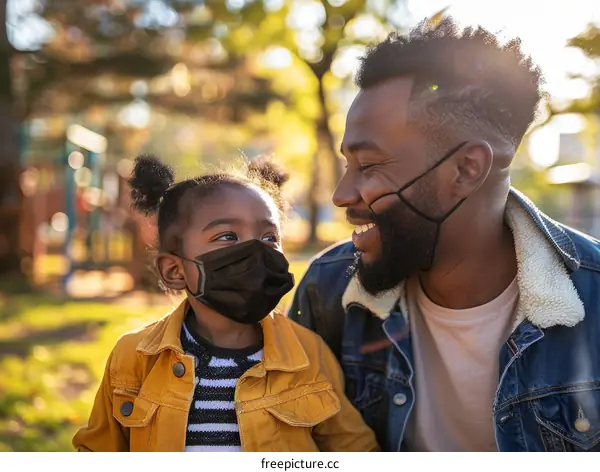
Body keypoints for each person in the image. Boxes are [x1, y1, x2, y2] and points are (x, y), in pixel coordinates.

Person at [289, 17, 600, 452]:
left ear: (466, 169)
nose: (342, 195)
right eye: (348, 165)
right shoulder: (328, 291)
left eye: (370, 166)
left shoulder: (595, 295)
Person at [73, 155, 378, 452]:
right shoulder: (133, 359)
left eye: (270, 237)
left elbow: (353, 449)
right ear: (175, 270)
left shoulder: (308, 355)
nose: (256, 250)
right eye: (228, 235)